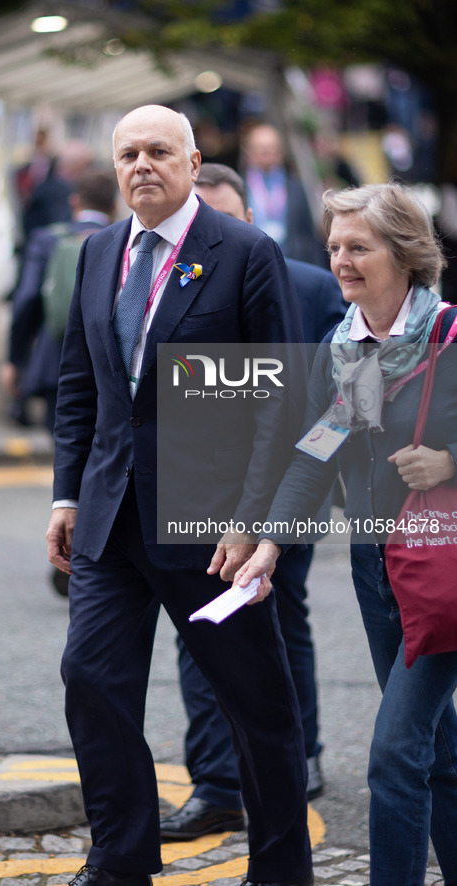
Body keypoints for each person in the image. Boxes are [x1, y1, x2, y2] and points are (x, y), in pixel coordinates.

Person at [47, 105, 314, 886]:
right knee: (90, 680)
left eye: (158, 152)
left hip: (211, 525)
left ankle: (279, 870)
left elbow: (281, 398)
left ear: (194, 163)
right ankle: (120, 861)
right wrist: (65, 497)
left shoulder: (242, 252)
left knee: (254, 705)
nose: (142, 166)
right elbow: (78, 385)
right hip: (107, 518)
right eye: (127, 153)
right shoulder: (99, 252)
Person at [233, 183, 457, 886]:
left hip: (443, 568)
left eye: (357, 246)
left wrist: (451, 461)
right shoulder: (352, 349)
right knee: (437, 751)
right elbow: (318, 449)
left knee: (393, 755)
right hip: (377, 568)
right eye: (333, 247)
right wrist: (269, 543)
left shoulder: (448, 338)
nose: (340, 260)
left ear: (404, 253)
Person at [157, 162, 346, 841]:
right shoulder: (167, 286)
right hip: (195, 489)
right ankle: (216, 783)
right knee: (198, 628)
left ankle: (301, 753)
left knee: (276, 617)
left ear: (248, 224)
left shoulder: (311, 286)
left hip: (282, 490)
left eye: (224, 221)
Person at [0, 169, 117, 434]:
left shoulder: (47, 240)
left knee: (64, 446)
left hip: (56, 361)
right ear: (113, 206)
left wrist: (15, 359)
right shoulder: (124, 240)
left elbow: (27, 299)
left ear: (74, 202)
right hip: (109, 366)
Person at [240, 123, 324, 266]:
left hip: (292, 263)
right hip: (251, 263)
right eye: (260, 148)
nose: (266, 152)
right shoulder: (238, 187)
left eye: (271, 148)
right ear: (248, 153)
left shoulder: (297, 187)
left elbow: (308, 234)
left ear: (280, 152)